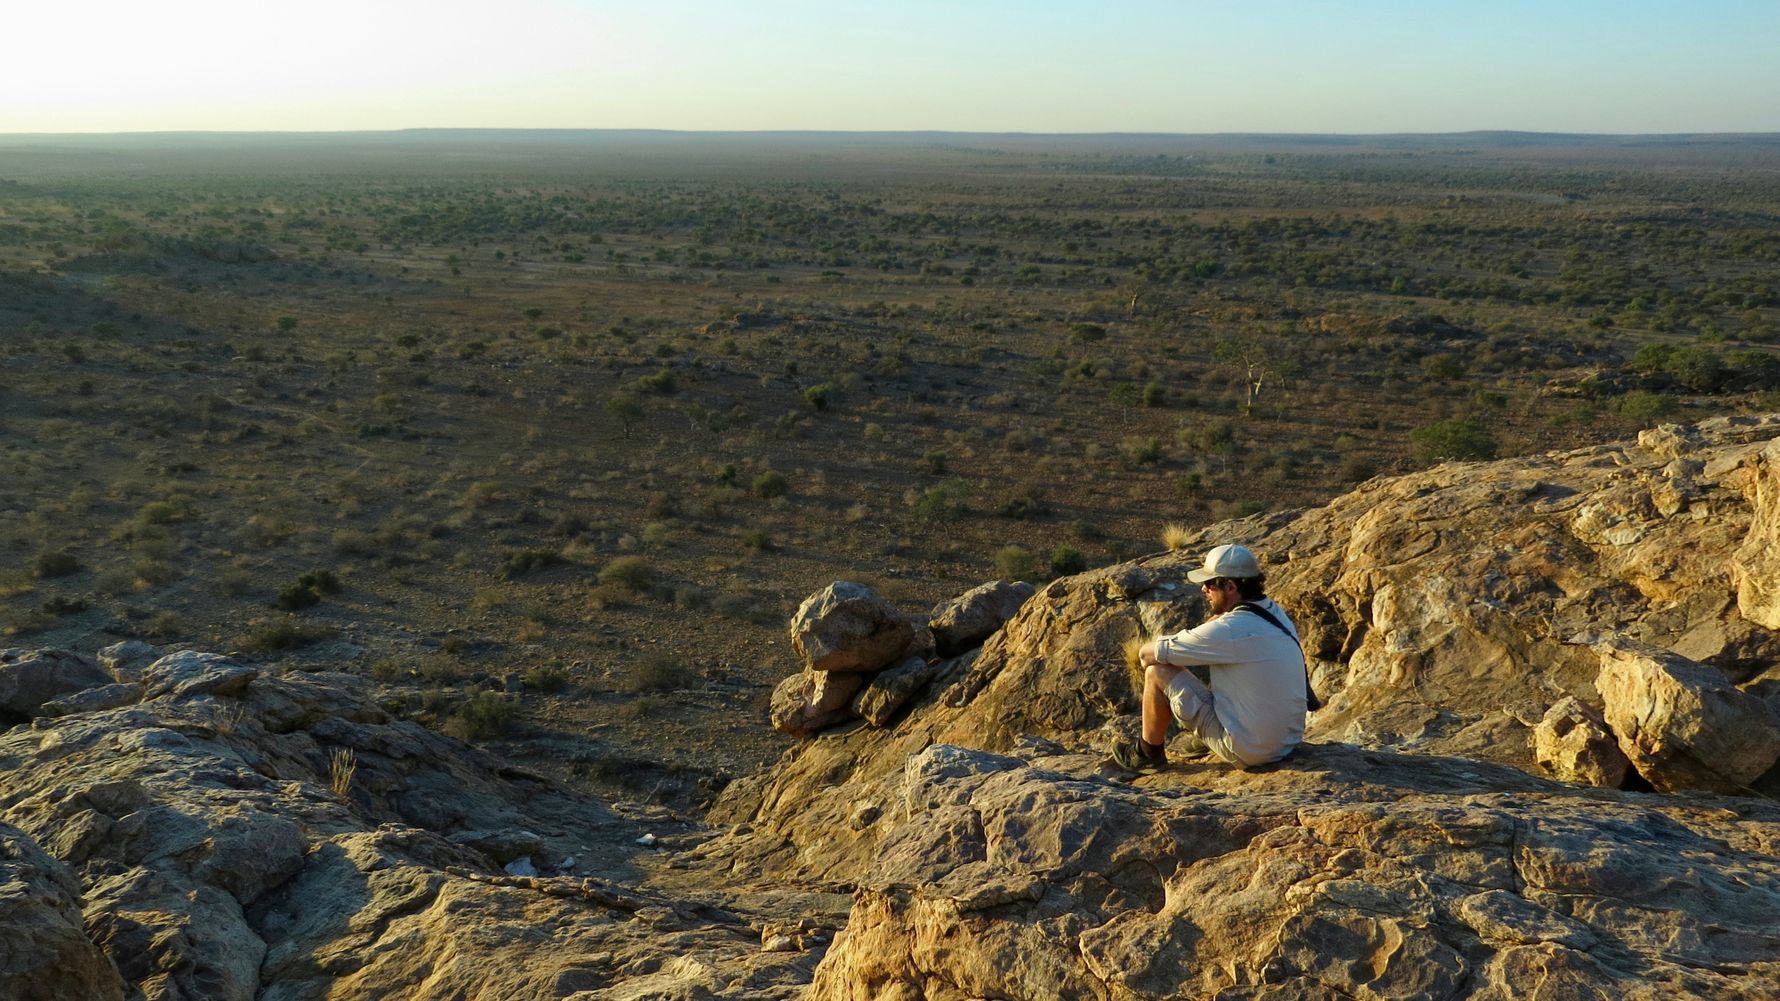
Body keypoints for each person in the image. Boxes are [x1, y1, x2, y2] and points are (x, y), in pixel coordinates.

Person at [1110, 543, 1308, 773]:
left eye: (1209, 584)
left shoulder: (1230, 629)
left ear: (1230, 586)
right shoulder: (1273, 612)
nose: (1204, 590)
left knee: (1157, 672)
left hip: (1250, 751)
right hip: (1287, 742)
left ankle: (1147, 754)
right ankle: (1208, 735)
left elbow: (1146, 655)